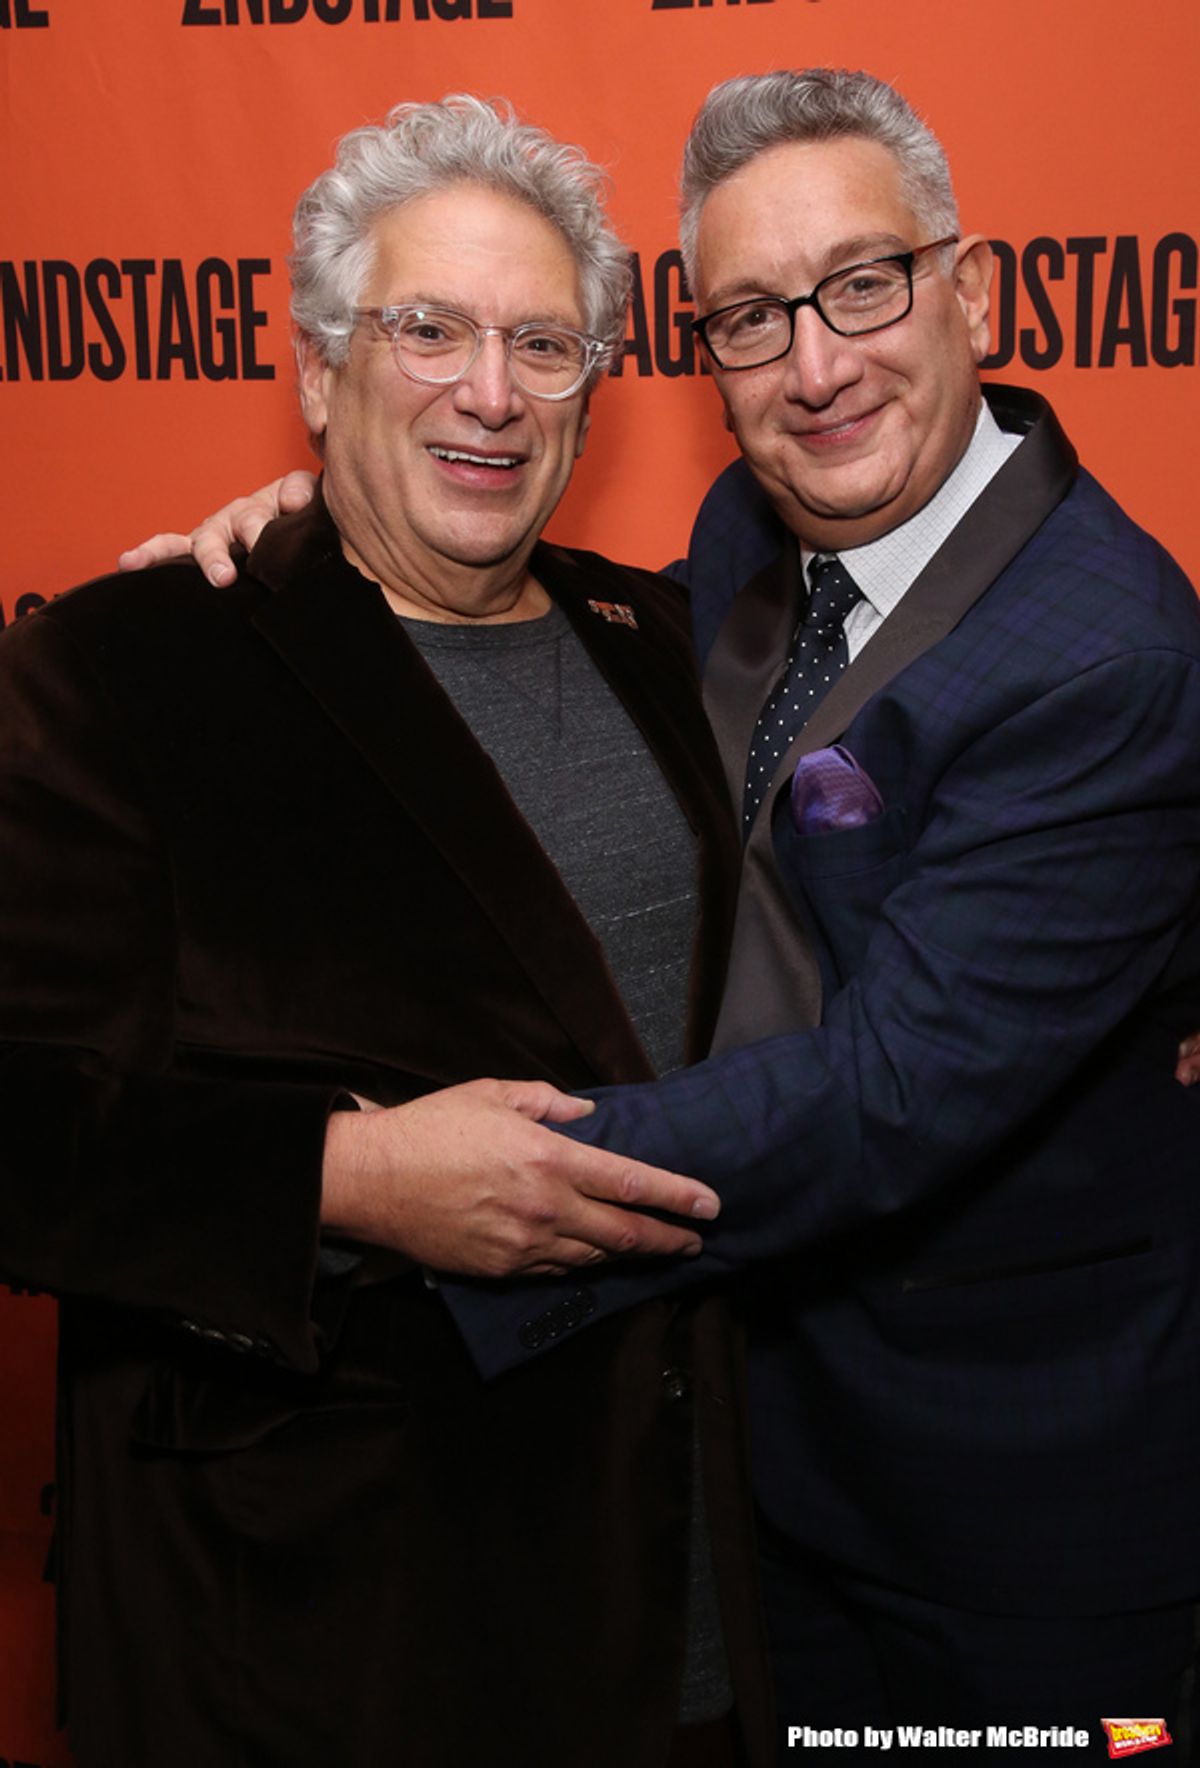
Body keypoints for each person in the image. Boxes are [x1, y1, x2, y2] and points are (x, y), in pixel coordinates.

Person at [123, 70, 1200, 1758]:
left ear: (971, 288)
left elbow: (889, 1092)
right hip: (747, 1486)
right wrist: (311, 534)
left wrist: (433, 1185)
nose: (817, 365)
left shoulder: (1108, 657)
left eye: (864, 284)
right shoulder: (752, 535)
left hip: (1019, 1522)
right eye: (751, 319)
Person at [0, 96, 775, 1768]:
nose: (488, 393)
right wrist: (342, 1186)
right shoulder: (129, 670)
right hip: (335, 1638)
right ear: (315, 366)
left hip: (693, 1597)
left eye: (544, 343)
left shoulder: (672, 639)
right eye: (428, 329)